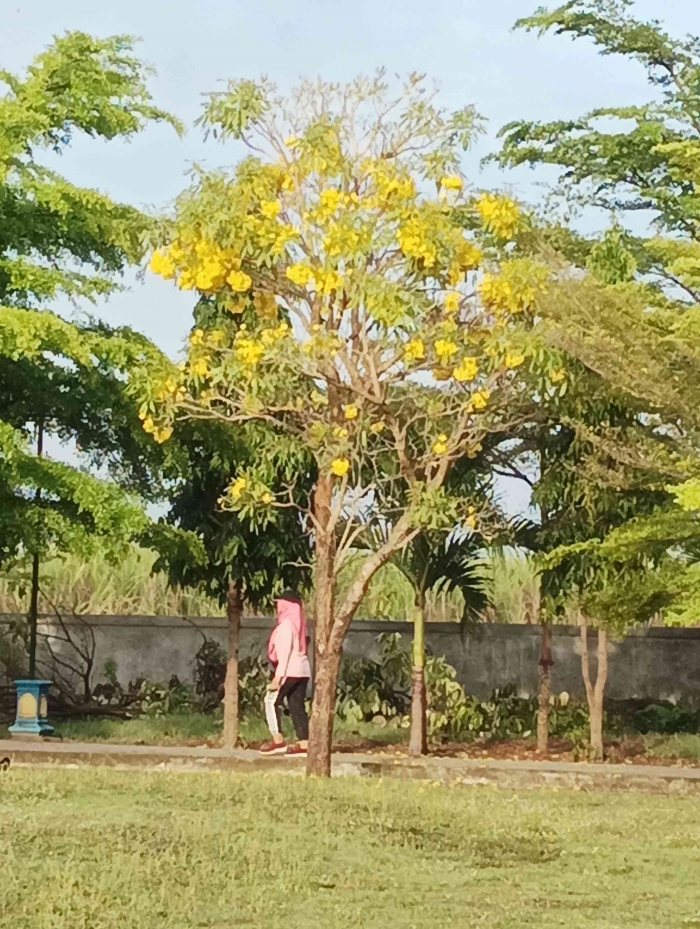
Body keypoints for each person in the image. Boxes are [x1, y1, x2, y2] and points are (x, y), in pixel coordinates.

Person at [260, 590, 311, 757]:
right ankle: (304, 743)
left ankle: (277, 740)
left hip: (289, 670)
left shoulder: (286, 626)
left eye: (279, 602)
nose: (277, 605)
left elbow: (284, 654)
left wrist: (277, 678)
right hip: (303, 670)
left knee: (271, 700)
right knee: (297, 705)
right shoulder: (300, 625)